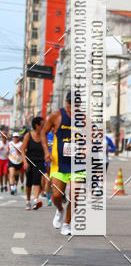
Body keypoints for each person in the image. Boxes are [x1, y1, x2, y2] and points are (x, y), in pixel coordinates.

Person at [42, 91, 81, 236]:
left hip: (77, 163)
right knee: (57, 196)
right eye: (70, 103)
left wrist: (87, 150)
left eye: (76, 104)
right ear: (66, 102)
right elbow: (43, 132)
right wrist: (46, 152)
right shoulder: (56, 115)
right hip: (58, 163)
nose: (72, 107)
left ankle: (67, 224)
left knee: (74, 196)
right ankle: (59, 210)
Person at [22, 116, 46, 210]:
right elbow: (23, 149)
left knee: (37, 180)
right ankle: (28, 201)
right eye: (42, 124)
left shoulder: (43, 136)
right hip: (29, 161)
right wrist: (25, 162)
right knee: (28, 183)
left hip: (39, 162)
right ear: (37, 125)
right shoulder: (28, 135)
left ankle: (35, 200)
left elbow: (46, 149)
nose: (44, 126)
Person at [0, 127, 9, 193]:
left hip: (6, 160)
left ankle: (5, 185)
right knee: (0, 174)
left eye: (5, 137)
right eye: (3, 137)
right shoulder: (0, 143)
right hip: (0, 160)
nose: (4, 138)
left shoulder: (9, 143)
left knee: (5, 173)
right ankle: (1, 186)